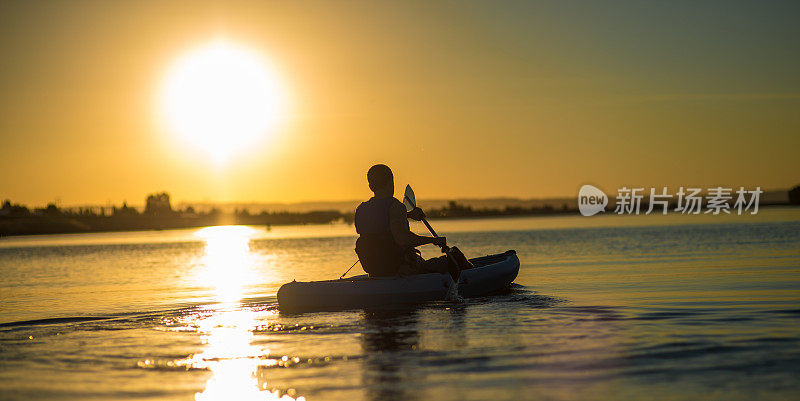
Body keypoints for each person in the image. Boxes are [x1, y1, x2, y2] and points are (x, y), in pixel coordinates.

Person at [354, 164, 473, 278]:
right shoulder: (396, 206)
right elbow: (403, 239)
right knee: (456, 256)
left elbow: (380, 226)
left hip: (377, 272)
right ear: (391, 182)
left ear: (370, 186)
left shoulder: (361, 209)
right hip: (403, 269)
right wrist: (433, 240)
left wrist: (408, 215)